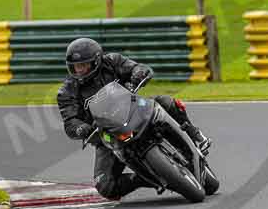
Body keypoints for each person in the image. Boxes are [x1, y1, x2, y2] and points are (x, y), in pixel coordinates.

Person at [57, 37, 212, 200]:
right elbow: (70, 122)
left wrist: (138, 75)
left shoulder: (112, 62)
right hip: (106, 134)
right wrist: (82, 128)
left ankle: (194, 134)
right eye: (75, 67)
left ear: (96, 61)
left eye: (83, 65)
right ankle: (148, 178)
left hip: (135, 110)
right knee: (105, 186)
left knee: (166, 102)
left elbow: (137, 68)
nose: (78, 70)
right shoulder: (67, 91)